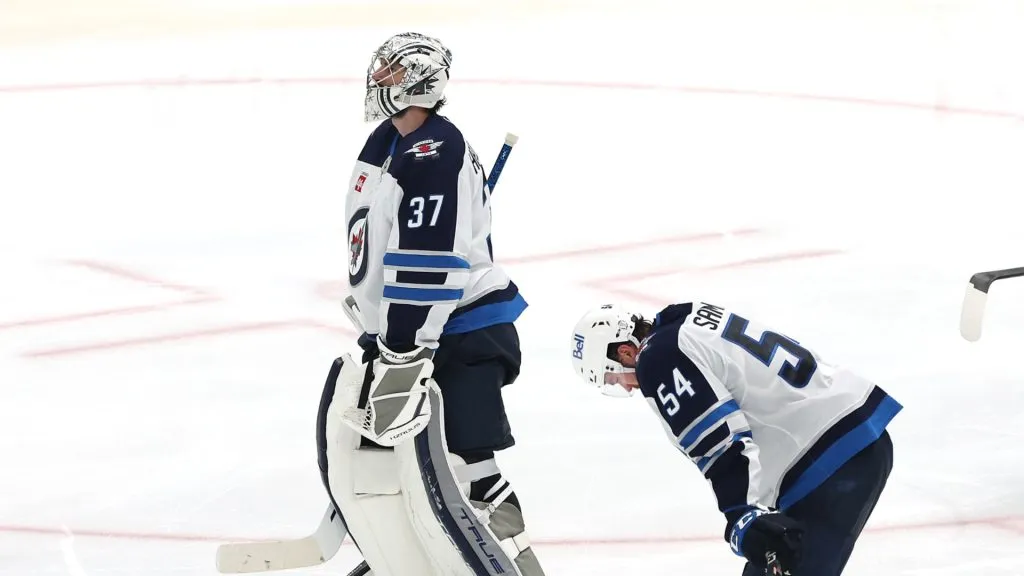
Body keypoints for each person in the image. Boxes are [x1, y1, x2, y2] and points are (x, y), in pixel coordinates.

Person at [314, 32, 545, 576]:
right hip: (416, 332)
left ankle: (511, 559)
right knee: (395, 463)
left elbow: (428, 262)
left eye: (392, 72)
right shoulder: (388, 141)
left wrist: (404, 349)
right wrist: (382, 324)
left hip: (457, 334)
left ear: (418, 82)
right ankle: (402, 557)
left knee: (465, 467)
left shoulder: (434, 153)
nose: (380, 80)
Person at [569, 300, 900, 575]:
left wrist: (741, 512)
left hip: (831, 462)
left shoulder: (656, 358)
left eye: (612, 378)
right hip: (843, 443)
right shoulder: (683, 321)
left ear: (625, 352)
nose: (626, 387)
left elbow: (719, 441)